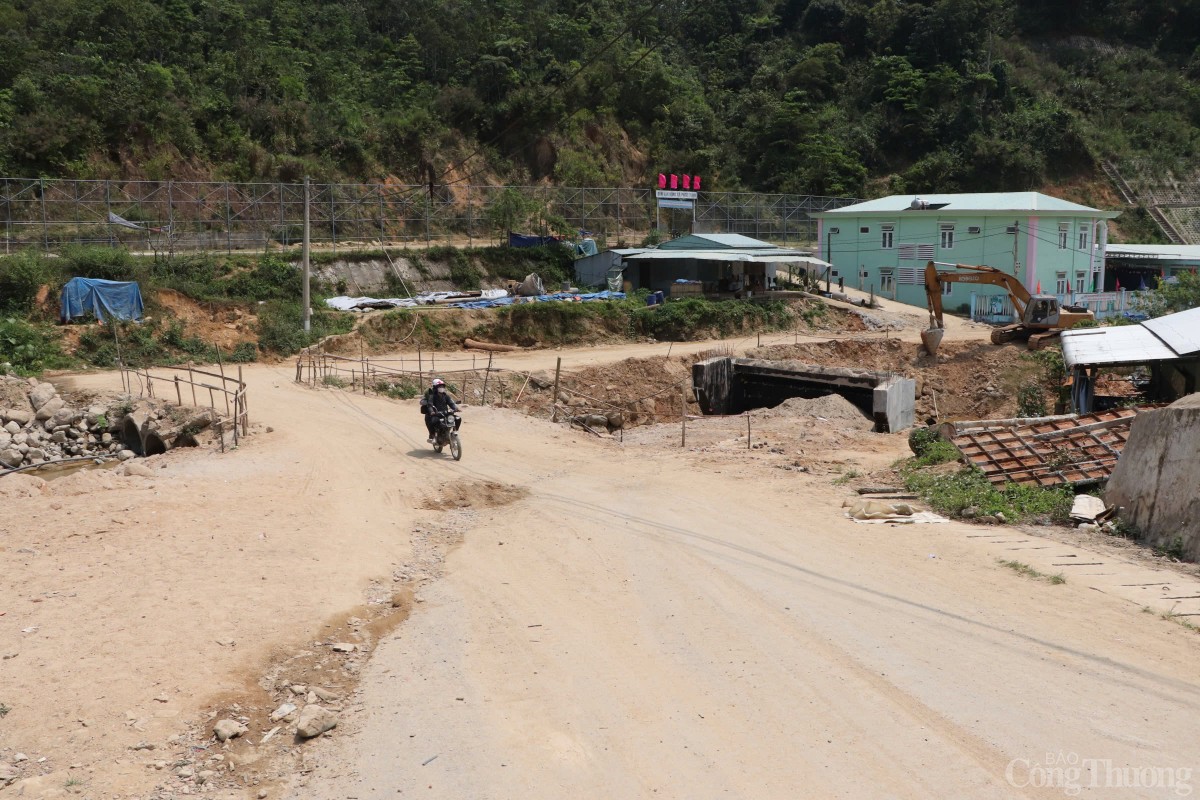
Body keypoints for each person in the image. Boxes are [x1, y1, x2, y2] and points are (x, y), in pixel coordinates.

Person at [420, 378, 459, 443]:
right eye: (440, 386)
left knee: (457, 418)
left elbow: (451, 403)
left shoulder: (445, 396)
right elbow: (430, 405)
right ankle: (433, 435)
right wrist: (432, 411)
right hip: (436, 414)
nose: (442, 388)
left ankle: (454, 431)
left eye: (443, 386)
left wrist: (455, 408)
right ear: (435, 387)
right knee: (433, 421)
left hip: (445, 413)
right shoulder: (432, 396)